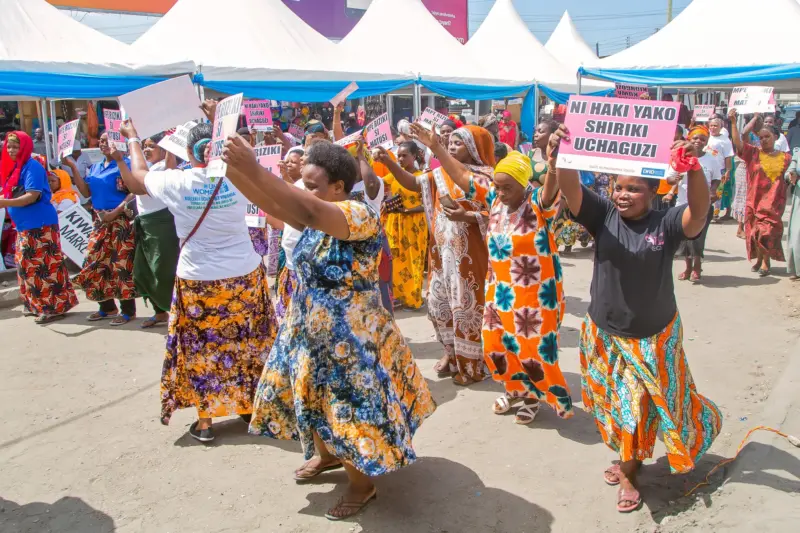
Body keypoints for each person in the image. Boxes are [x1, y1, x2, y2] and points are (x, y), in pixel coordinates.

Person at [224, 138, 436, 520]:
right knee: (310, 396)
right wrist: (232, 170)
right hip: (308, 324)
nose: (305, 191)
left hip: (348, 336)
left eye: (312, 185)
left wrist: (254, 167)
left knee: (346, 407)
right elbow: (273, 204)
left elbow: (305, 207)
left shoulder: (358, 214)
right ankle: (326, 456)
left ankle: (362, 485)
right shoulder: (317, 216)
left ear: (339, 186)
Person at [552, 125, 723, 514]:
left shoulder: (666, 223)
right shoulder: (603, 215)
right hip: (603, 333)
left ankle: (629, 472)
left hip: (653, 336)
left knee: (634, 409)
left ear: (654, 192)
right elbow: (570, 187)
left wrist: (693, 167)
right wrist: (565, 150)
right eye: (619, 187)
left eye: (634, 189)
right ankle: (628, 455)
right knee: (611, 405)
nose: (623, 195)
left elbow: (699, 212)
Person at [118, 114, 278, 443]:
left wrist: (132, 136)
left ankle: (205, 422)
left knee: (201, 348)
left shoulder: (176, 182)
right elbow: (255, 165)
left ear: (189, 152)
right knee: (246, 342)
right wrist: (223, 124)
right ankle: (250, 406)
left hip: (197, 280)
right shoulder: (240, 178)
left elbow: (138, 178)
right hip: (244, 276)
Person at [391, 123, 496, 385]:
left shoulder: (487, 177)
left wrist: (467, 216)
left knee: (467, 308)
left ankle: (472, 366)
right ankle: (452, 354)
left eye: (459, 143)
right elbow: (414, 183)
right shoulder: (439, 174)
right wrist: (388, 162)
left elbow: (497, 215)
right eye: (451, 142)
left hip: (471, 258)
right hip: (441, 255)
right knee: (440, 306)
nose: (452, 146)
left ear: (475, 148)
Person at [478, 151, 573, 424]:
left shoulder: (538, 205)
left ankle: (533, 397)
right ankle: (514, 389)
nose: (501, 192)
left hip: (534, 295)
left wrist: (553, 166)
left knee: (530, 348)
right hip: (500, 290)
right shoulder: (496, 201)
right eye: (497, 186)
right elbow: (462, 177)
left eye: (507, 187)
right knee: (496, 343)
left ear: (524, 183)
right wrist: (436, 147)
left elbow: (550, 191)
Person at [0, 132, 78, 324]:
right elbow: (11, 193)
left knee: (44, 267)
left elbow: (32, 196)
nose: (11, 150)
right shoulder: (16, 167)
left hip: (40, 225)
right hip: (25, 226)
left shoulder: (32, 166)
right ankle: (34, 304)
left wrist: (4, 203)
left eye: (15, 147)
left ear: (25, 148)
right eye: (9, 146)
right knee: (25, 265)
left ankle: (52, 308)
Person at [67, 133, 138, 326]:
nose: (103, 143)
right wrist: (73, 167)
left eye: (108, 140)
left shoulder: (126, 163)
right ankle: (107, 307)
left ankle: (128, 311)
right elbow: (86, 192)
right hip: (99, 221)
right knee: (94, 260)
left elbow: (133, 191)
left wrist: (115, 212)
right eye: (101, 141)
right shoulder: (96, 167)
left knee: (120, 264)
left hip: (120, 220)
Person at [118, 132, 180, 329]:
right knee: (143, 271)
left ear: (163, 149)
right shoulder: (148, 168)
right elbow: (133, 188)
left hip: (162, 225)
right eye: (145, 146)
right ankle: (160, 312)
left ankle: (177, 312)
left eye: (152, 146)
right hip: (145, 224)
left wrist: (171, 144)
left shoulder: (164, 168)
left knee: (163, 271)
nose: (146, 149)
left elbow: (139, 187)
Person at [729, 110, 792, 276]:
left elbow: (792, 175)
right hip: (754, 201)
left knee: (767, 232)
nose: (764, 140)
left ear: (775, 137)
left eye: (767, 137)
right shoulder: (753, 153)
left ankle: (765, 262)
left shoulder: (786, 158)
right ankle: (760, 259)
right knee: (754, 232)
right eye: (761, 137)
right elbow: (740, 139)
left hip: (774, 204)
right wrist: (734, 122)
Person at [375, 141, 428, 309]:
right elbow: (376, 184)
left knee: (413, 261)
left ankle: (413, 299)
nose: (400, 159)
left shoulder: (422, 177)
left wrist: (408, 210)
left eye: (405, 155)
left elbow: (427, 204)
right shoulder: (395, 175)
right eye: (398, 156)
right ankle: (397, 297)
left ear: (414, 156)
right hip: (395, 223)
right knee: (395, 260)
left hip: (415, 224)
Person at [673, 125, 723, 281]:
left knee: (698, 238)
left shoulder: (712, 159)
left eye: (703, 139)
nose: (698, 141)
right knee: (684, 239)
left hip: (703, 205)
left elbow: (717, 179)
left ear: (706, 142)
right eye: (695, 138)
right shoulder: (681, 157)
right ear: (689, 139)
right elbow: (670, 177)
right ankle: (687, 268)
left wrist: (713, 191)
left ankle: (697, 267)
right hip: (682, 204)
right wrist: (673, 179)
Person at [273, 147, 305, 321]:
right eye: (287, 162)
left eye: (294, 162)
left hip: (303, 264)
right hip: (289, 259)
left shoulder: (309, 189)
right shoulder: (294, 186)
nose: (289, 165)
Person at [705, 116, 734, 220]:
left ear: (720, 127)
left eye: (715, 126)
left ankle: (715, 214)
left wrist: (727, 171)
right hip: (707, 168)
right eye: (711, 125)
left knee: (717, 192)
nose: (713, 128)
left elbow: (728, 157)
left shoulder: (725, 140)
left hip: (719, 170)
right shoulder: (708, 137)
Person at [61, 141, 93, 207]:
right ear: (71, 152)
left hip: (82, 182)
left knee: (84, 202)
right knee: (72, 203)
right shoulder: (64, 157)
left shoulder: (84, 155)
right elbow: (52, 164)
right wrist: (63, 175)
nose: (78, 153)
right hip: (69, 183)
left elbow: (91, 167)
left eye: (79, 151)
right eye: (76, 152)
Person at [785, 151, 800, 279]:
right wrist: (791, 175)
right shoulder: (798, 153)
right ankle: (797, 268)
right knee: (797, 233)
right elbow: (789, 172)